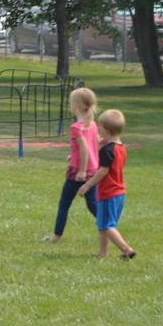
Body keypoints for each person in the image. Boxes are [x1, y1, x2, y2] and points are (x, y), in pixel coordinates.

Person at [43, 87, 100, 243]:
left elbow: (85, 148)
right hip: (93, 171)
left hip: (78, 173)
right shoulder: (92, 125)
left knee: (64, 205)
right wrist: (74, 156)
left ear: (76, 106)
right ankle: (108, 225)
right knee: (92, 205)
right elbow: (95, 144)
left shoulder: (76, 128)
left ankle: (56, 237)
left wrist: (81, 170)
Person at [78, 109, 135, 260]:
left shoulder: (108, 151)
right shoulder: (120, 147)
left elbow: (103, 171)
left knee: (107, 226)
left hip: (109, 194)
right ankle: (103, 252)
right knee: (103, 224)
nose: (97, 129)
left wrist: (87, 185)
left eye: (100, 127)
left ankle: (126, 249)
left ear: (107, 130)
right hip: (119, 193)